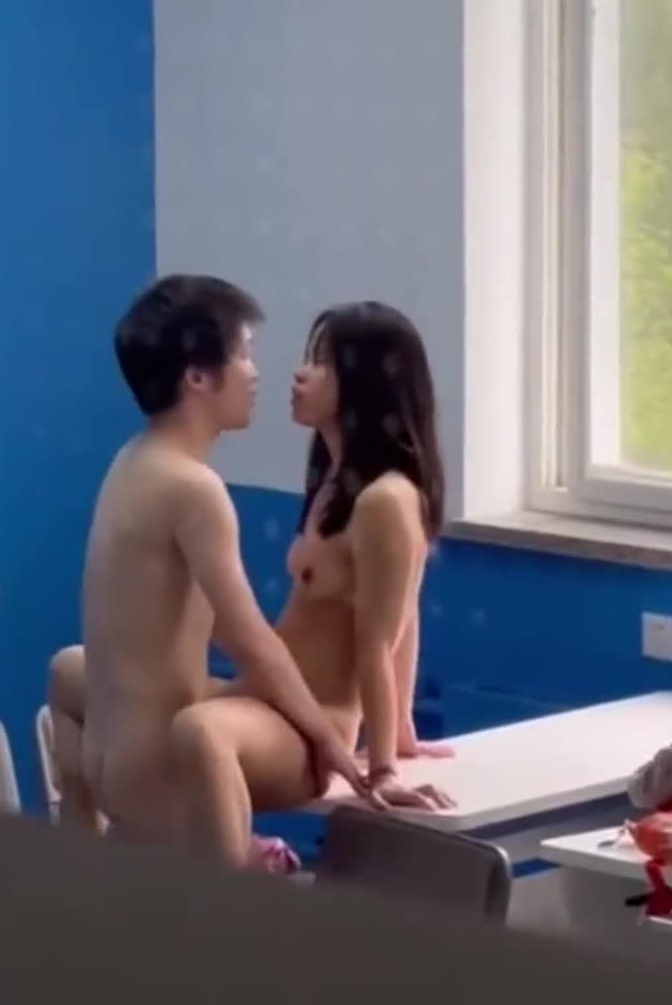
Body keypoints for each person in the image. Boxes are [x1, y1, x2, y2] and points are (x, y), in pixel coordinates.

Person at [50, 295, 453, 867]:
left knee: (202, 730)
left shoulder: (386, 500)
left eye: (321, 362)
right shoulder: (334, 485)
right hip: (268, 699)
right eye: (248, 355)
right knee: (70, 670)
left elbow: (386, 632)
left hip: (315, 717)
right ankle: (82, 862)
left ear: (364, 382)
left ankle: (236, 873)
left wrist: (382, 760)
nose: (294, 373)